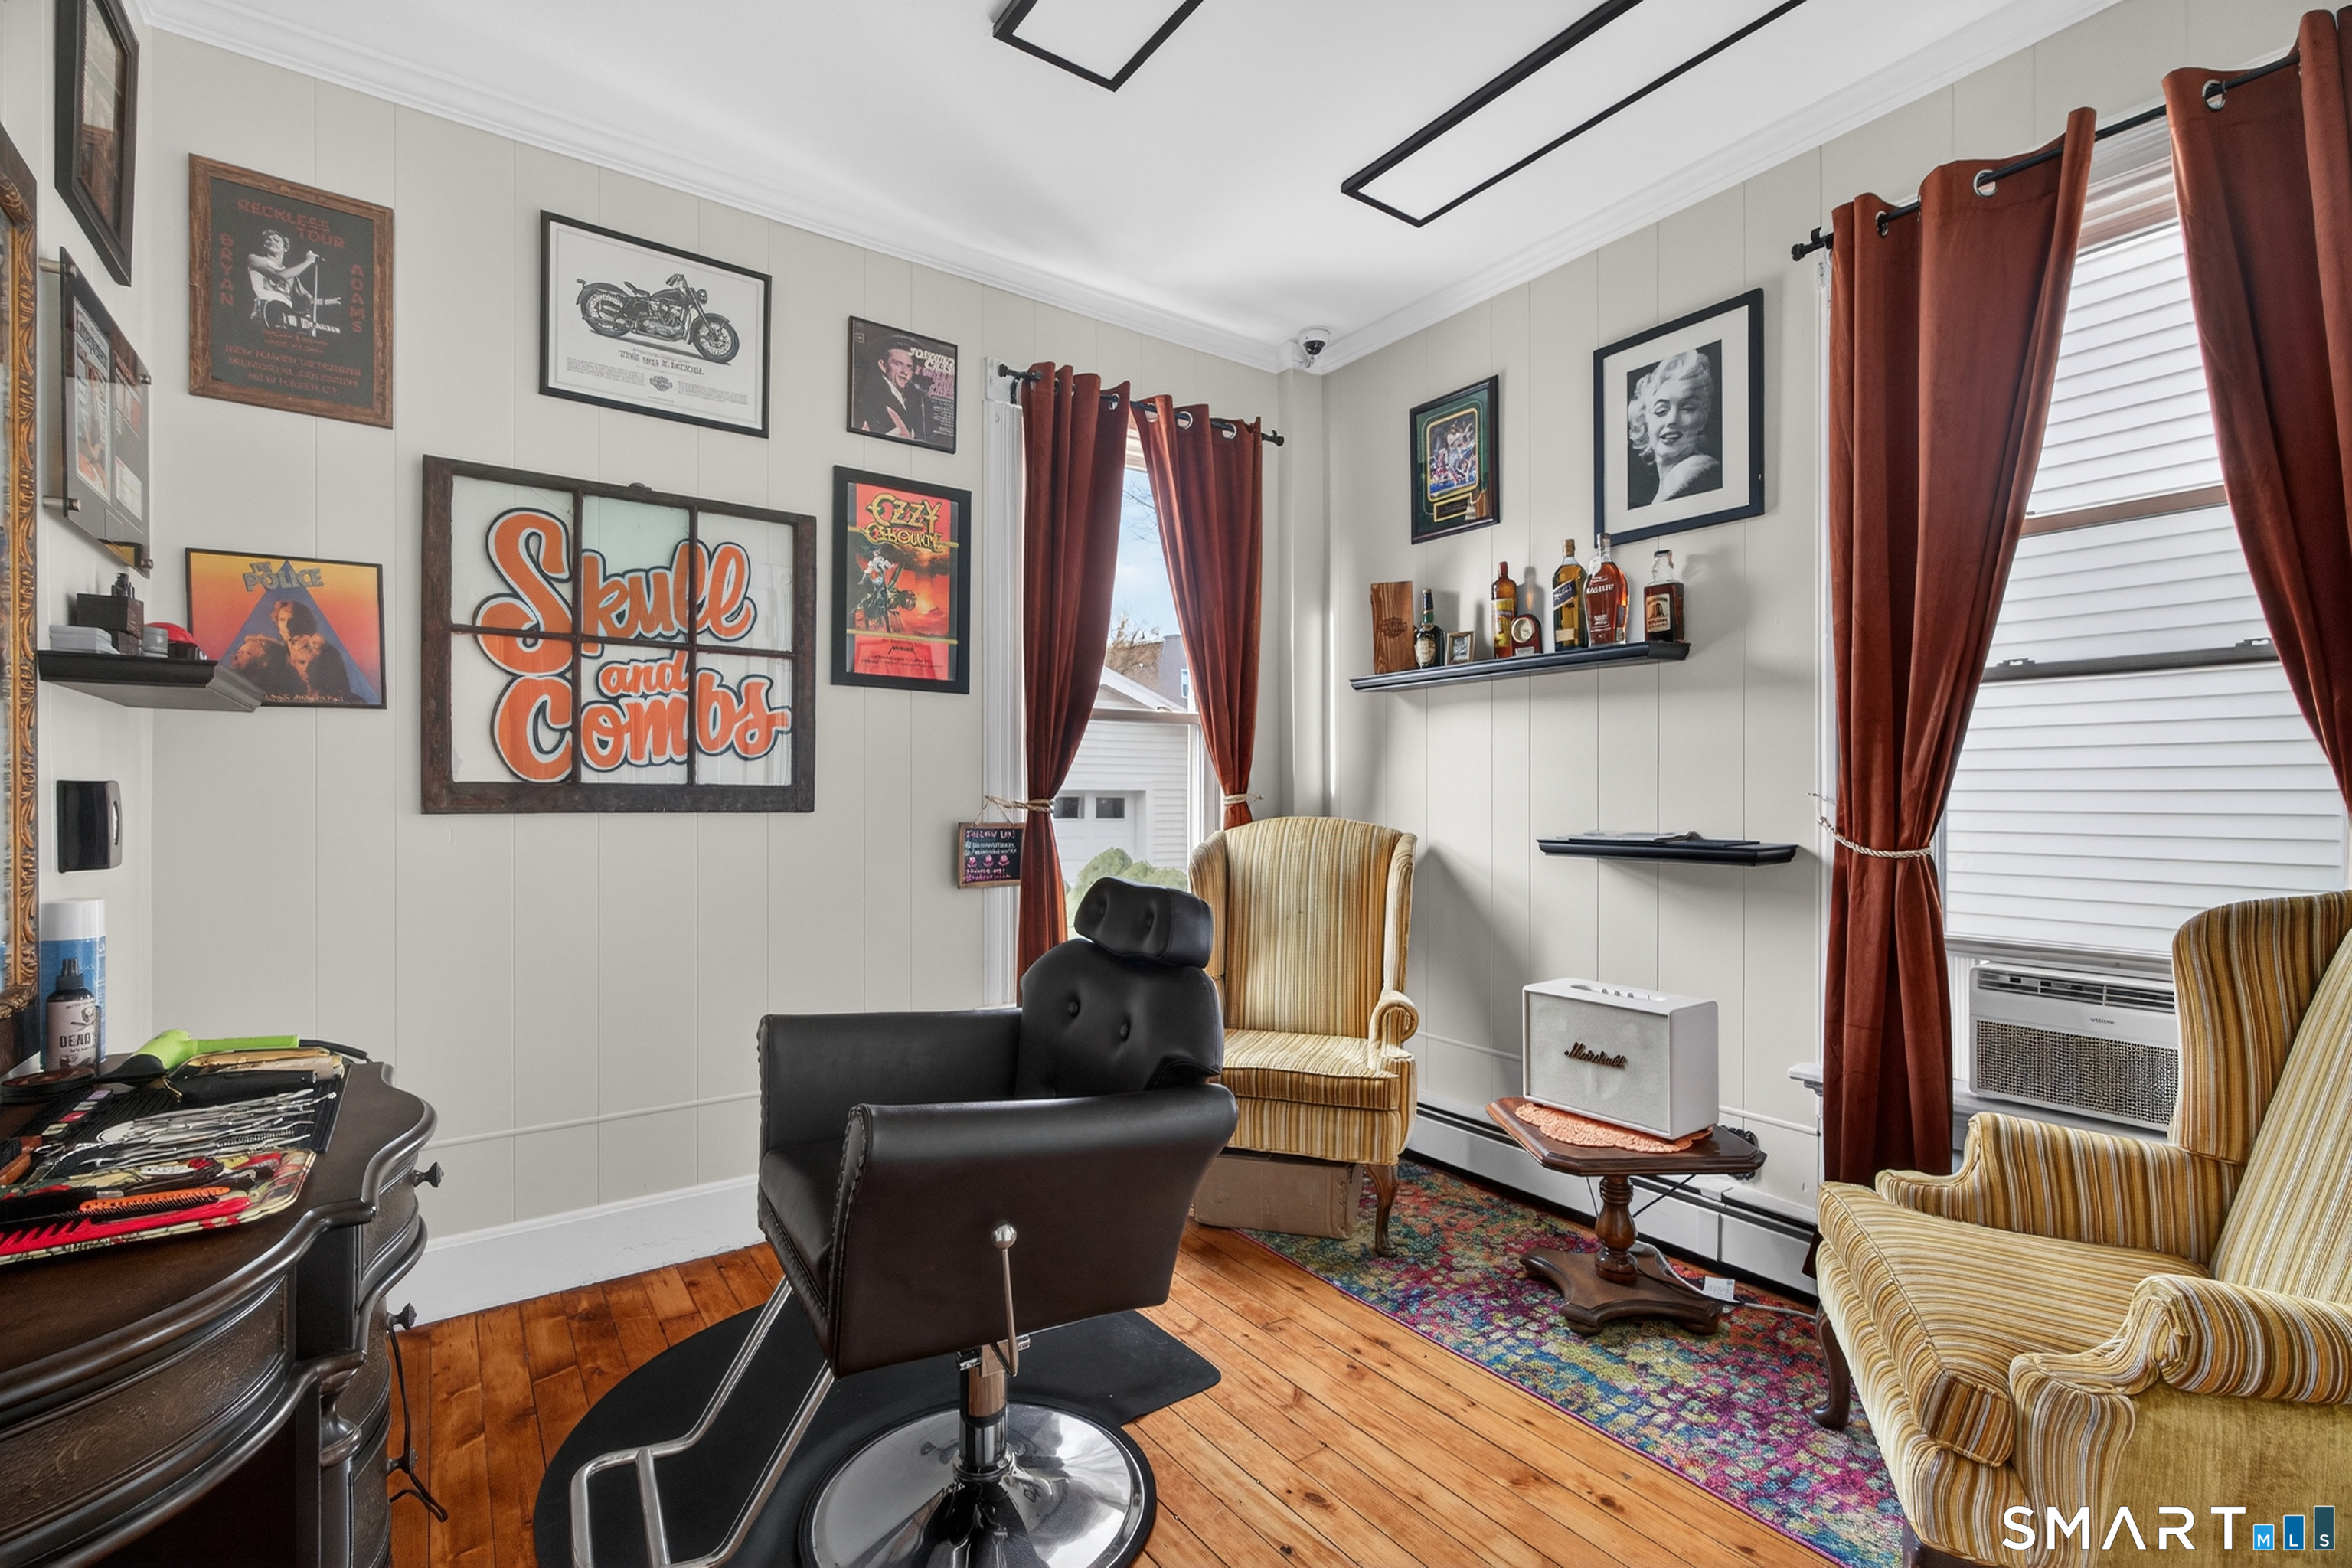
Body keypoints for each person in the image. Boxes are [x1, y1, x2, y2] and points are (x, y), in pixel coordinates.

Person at [1627, 350, 1721, 504]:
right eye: (1661, 411)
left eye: (1688, 408)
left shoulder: (1700, 474)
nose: (1672, 420)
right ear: (1644, 420)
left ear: (1704, 416)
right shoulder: (1666, 488)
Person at [247, 229, 338, 332]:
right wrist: (309, 261)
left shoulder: (292, 275)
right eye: (268, 240)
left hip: (284, 317)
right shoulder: (255, 259)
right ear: (264, 245)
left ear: (285, 248)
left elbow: (310, 300)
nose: (272, 242)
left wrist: (334, 301)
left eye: (276, 240)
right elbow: (280, 275)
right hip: (265, 311)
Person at [853, 338, 932, 441]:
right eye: (898, 364)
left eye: (909, 367)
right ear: (883, 365)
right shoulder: (871, 395)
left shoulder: (915, 399)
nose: (905, 372)